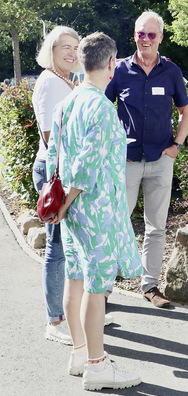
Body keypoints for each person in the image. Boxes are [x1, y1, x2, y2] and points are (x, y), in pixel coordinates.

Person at [47, 32, 142, 390]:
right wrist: (67, 203)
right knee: (96, 286)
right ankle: (98, 366)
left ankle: (80, 352)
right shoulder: (102, 108)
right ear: (111, 64)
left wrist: (59, 206)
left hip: (72, 212)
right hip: (95, 210)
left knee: (75, 276)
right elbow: (86, 169)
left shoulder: (67, 103)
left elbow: (54, 156)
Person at [105, 10, 188, 308]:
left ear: (161, 39)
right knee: (117, 222)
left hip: (160, 160)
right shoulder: (119, 70)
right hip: (127, 161)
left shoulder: (171, 71)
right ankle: (103, 289)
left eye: (151, 34)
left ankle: (150, 287)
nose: (145, 39)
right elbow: (102, 108)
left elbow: (185, 112)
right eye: (141, 33)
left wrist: (176, 146)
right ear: (134, 36)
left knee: (156, 226)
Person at [32, 26, 81, 345]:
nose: (72, 52)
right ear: (51, 49)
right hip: (55, 173)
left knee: (68, 247)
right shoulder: (50, 83)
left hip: (66, 172)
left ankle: (72, 314)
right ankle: (54, 320)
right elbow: (52, 138)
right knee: (57, 248)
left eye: (76, 47)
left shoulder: (67, 81)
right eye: (65, 47)